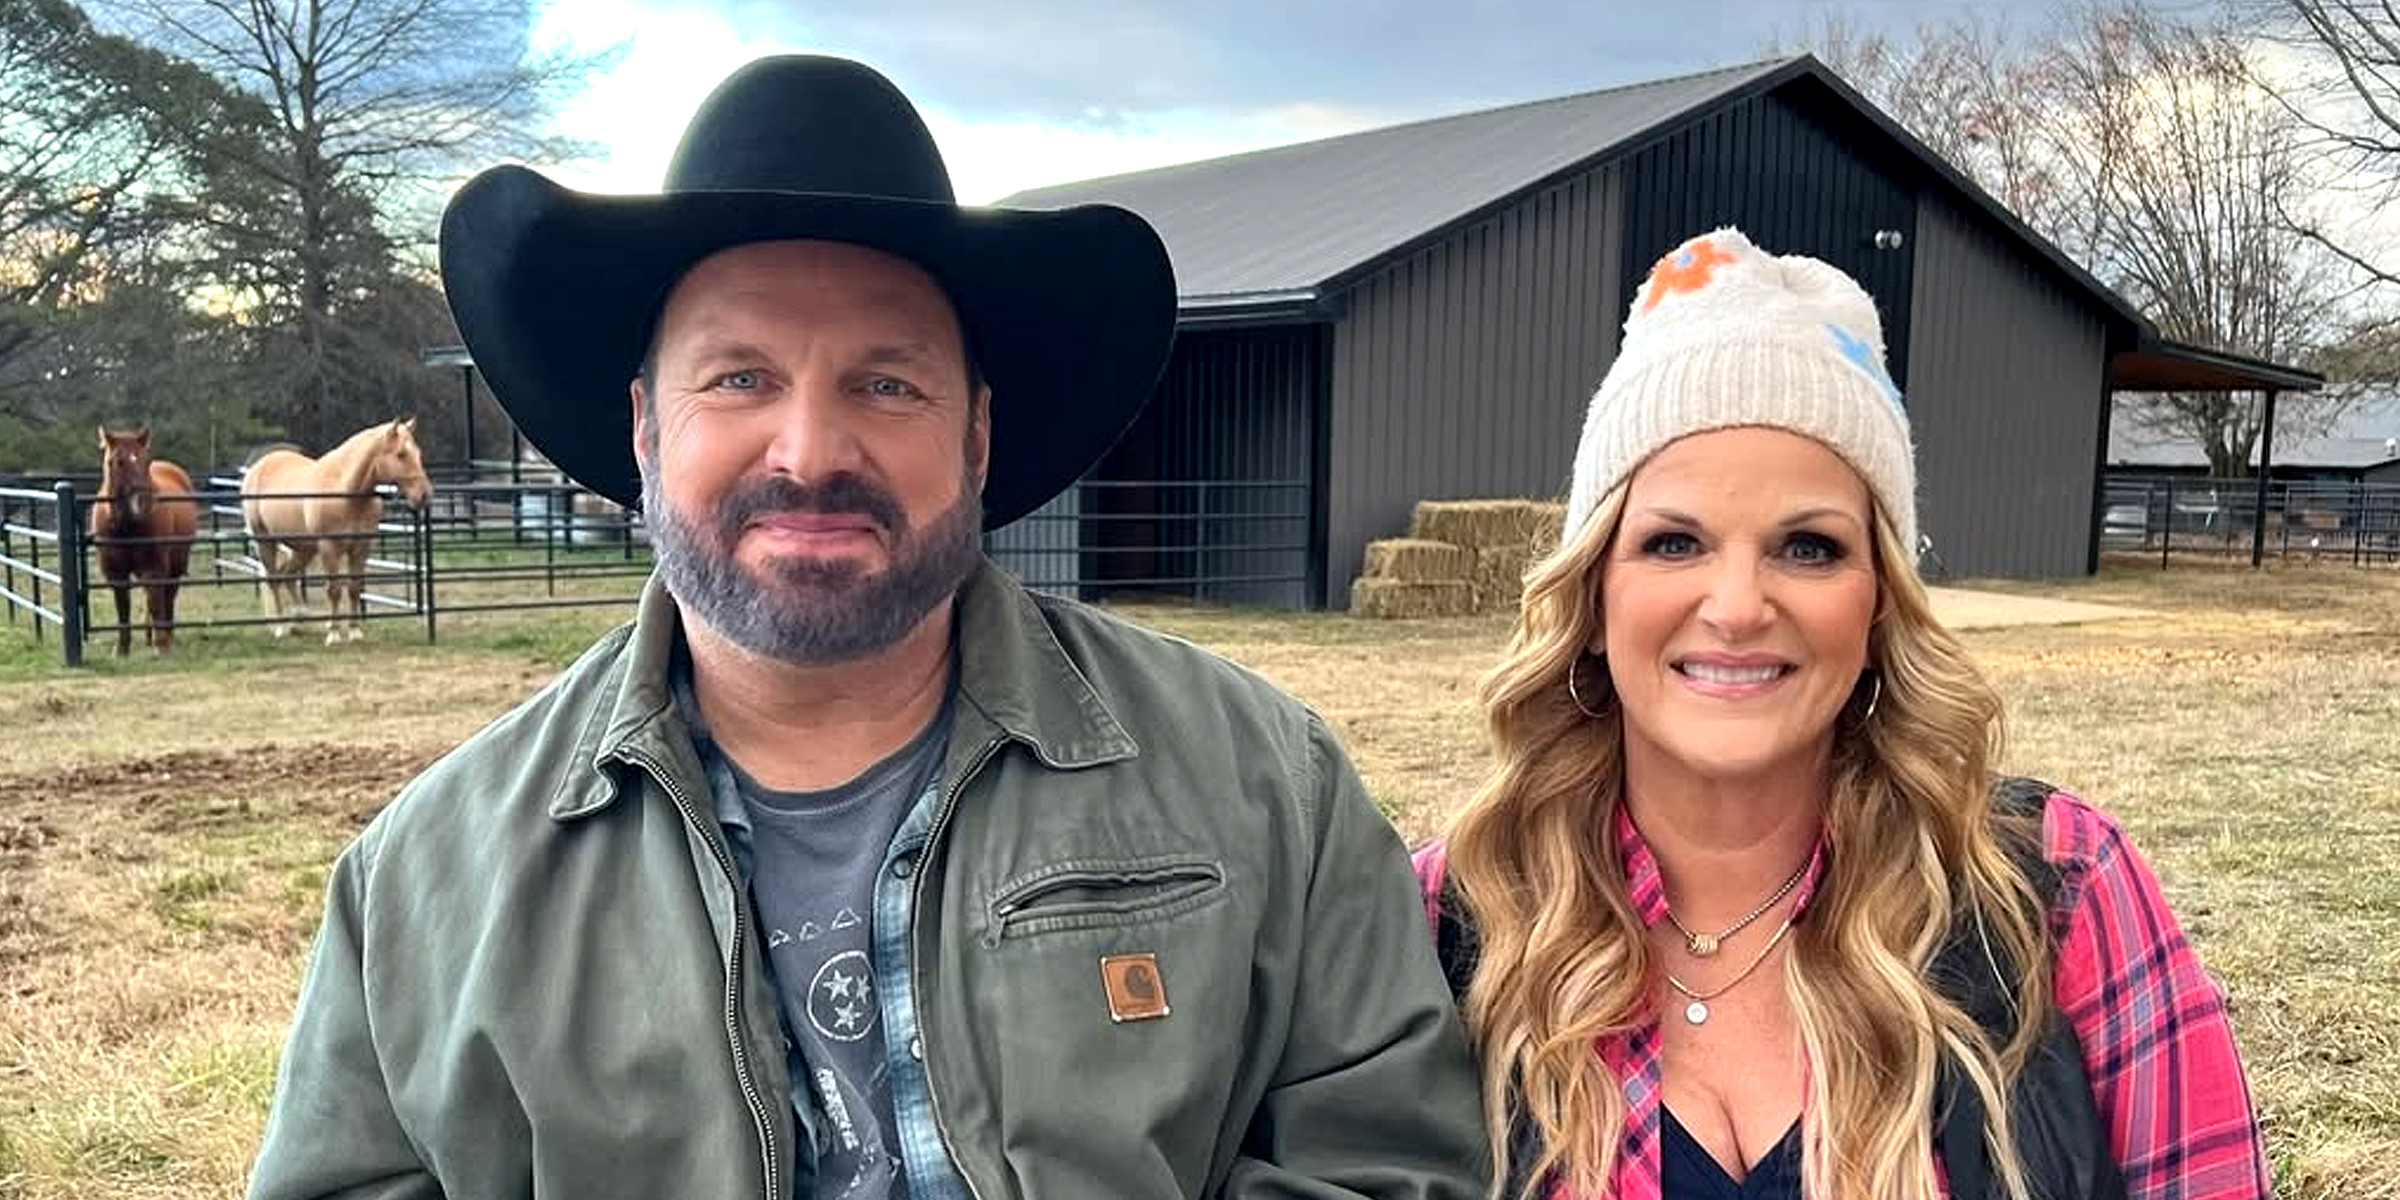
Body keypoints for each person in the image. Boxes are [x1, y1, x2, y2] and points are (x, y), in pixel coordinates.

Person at [247, 54, 1487, 1200]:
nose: (810, 452)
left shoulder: (1268, 789)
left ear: (978, 436)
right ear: (642, 427)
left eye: (886, 383)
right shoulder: (423, 888)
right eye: (740, 378)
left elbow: (1387, 1160)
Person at [1413, 228, 2264, 1200]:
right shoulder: (1435, 924)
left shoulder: (2059, 893)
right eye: (1674, 542)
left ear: (1878, 603)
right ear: (1594, 599)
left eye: (1809, 548)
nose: (1736, 607)